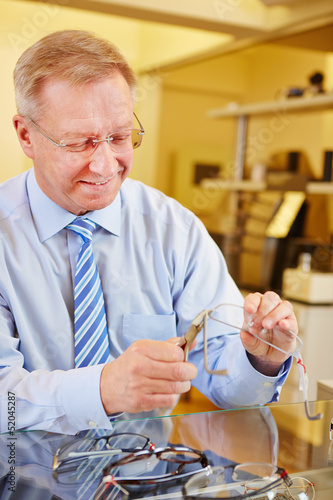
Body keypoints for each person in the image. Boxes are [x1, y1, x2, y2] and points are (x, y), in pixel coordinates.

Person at [0, 30, 298, 435]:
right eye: (79, 143)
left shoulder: (175, 230)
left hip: (146, 482)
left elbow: (228, 384)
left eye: (121, 137)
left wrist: (259, 360)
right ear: (25, 135)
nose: (106, 166)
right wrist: (103, 389)